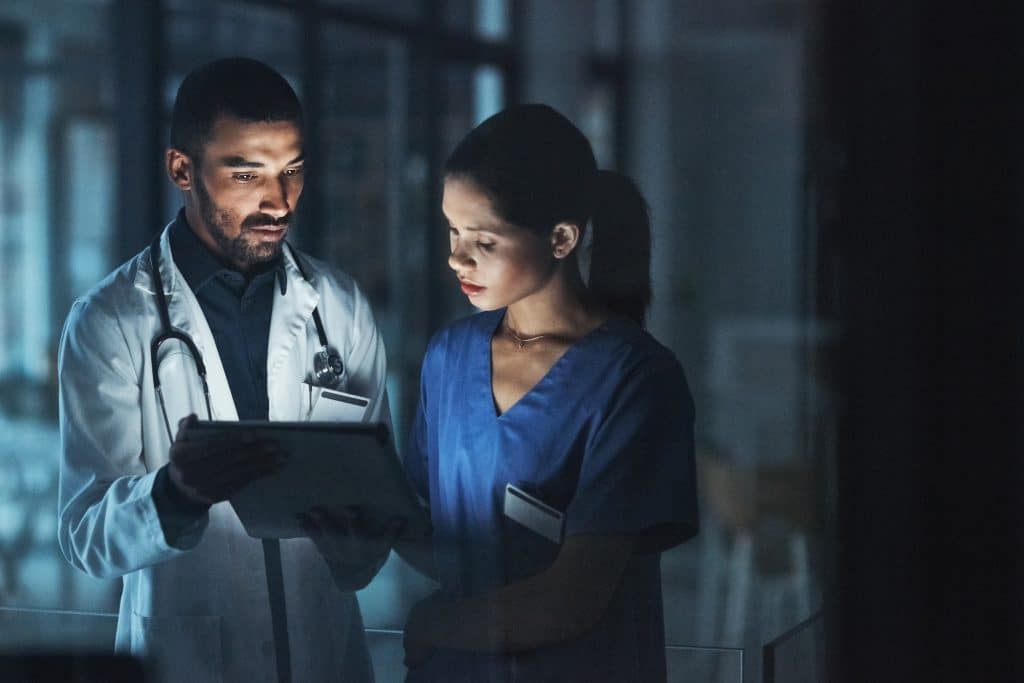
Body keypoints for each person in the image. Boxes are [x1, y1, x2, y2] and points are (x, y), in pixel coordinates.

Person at [57, 58, 390, 682]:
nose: (279, 200)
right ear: (182, 169)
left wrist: (360, 540)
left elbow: (369, 531)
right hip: (187, 661)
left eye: (293, 171)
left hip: (327, 658)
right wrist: (174, 493)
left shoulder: (340, 309)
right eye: (247, 174)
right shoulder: (109, 321)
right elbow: (83, 535)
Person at [397, 104, 698, 681]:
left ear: (561, 238)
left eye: (483, 240)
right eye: (452, 230)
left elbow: (571, 600)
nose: (456, 257)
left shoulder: (634, 380)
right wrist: (361, 515)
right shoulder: (449, 358)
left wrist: (437, 624)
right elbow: (447, 550)